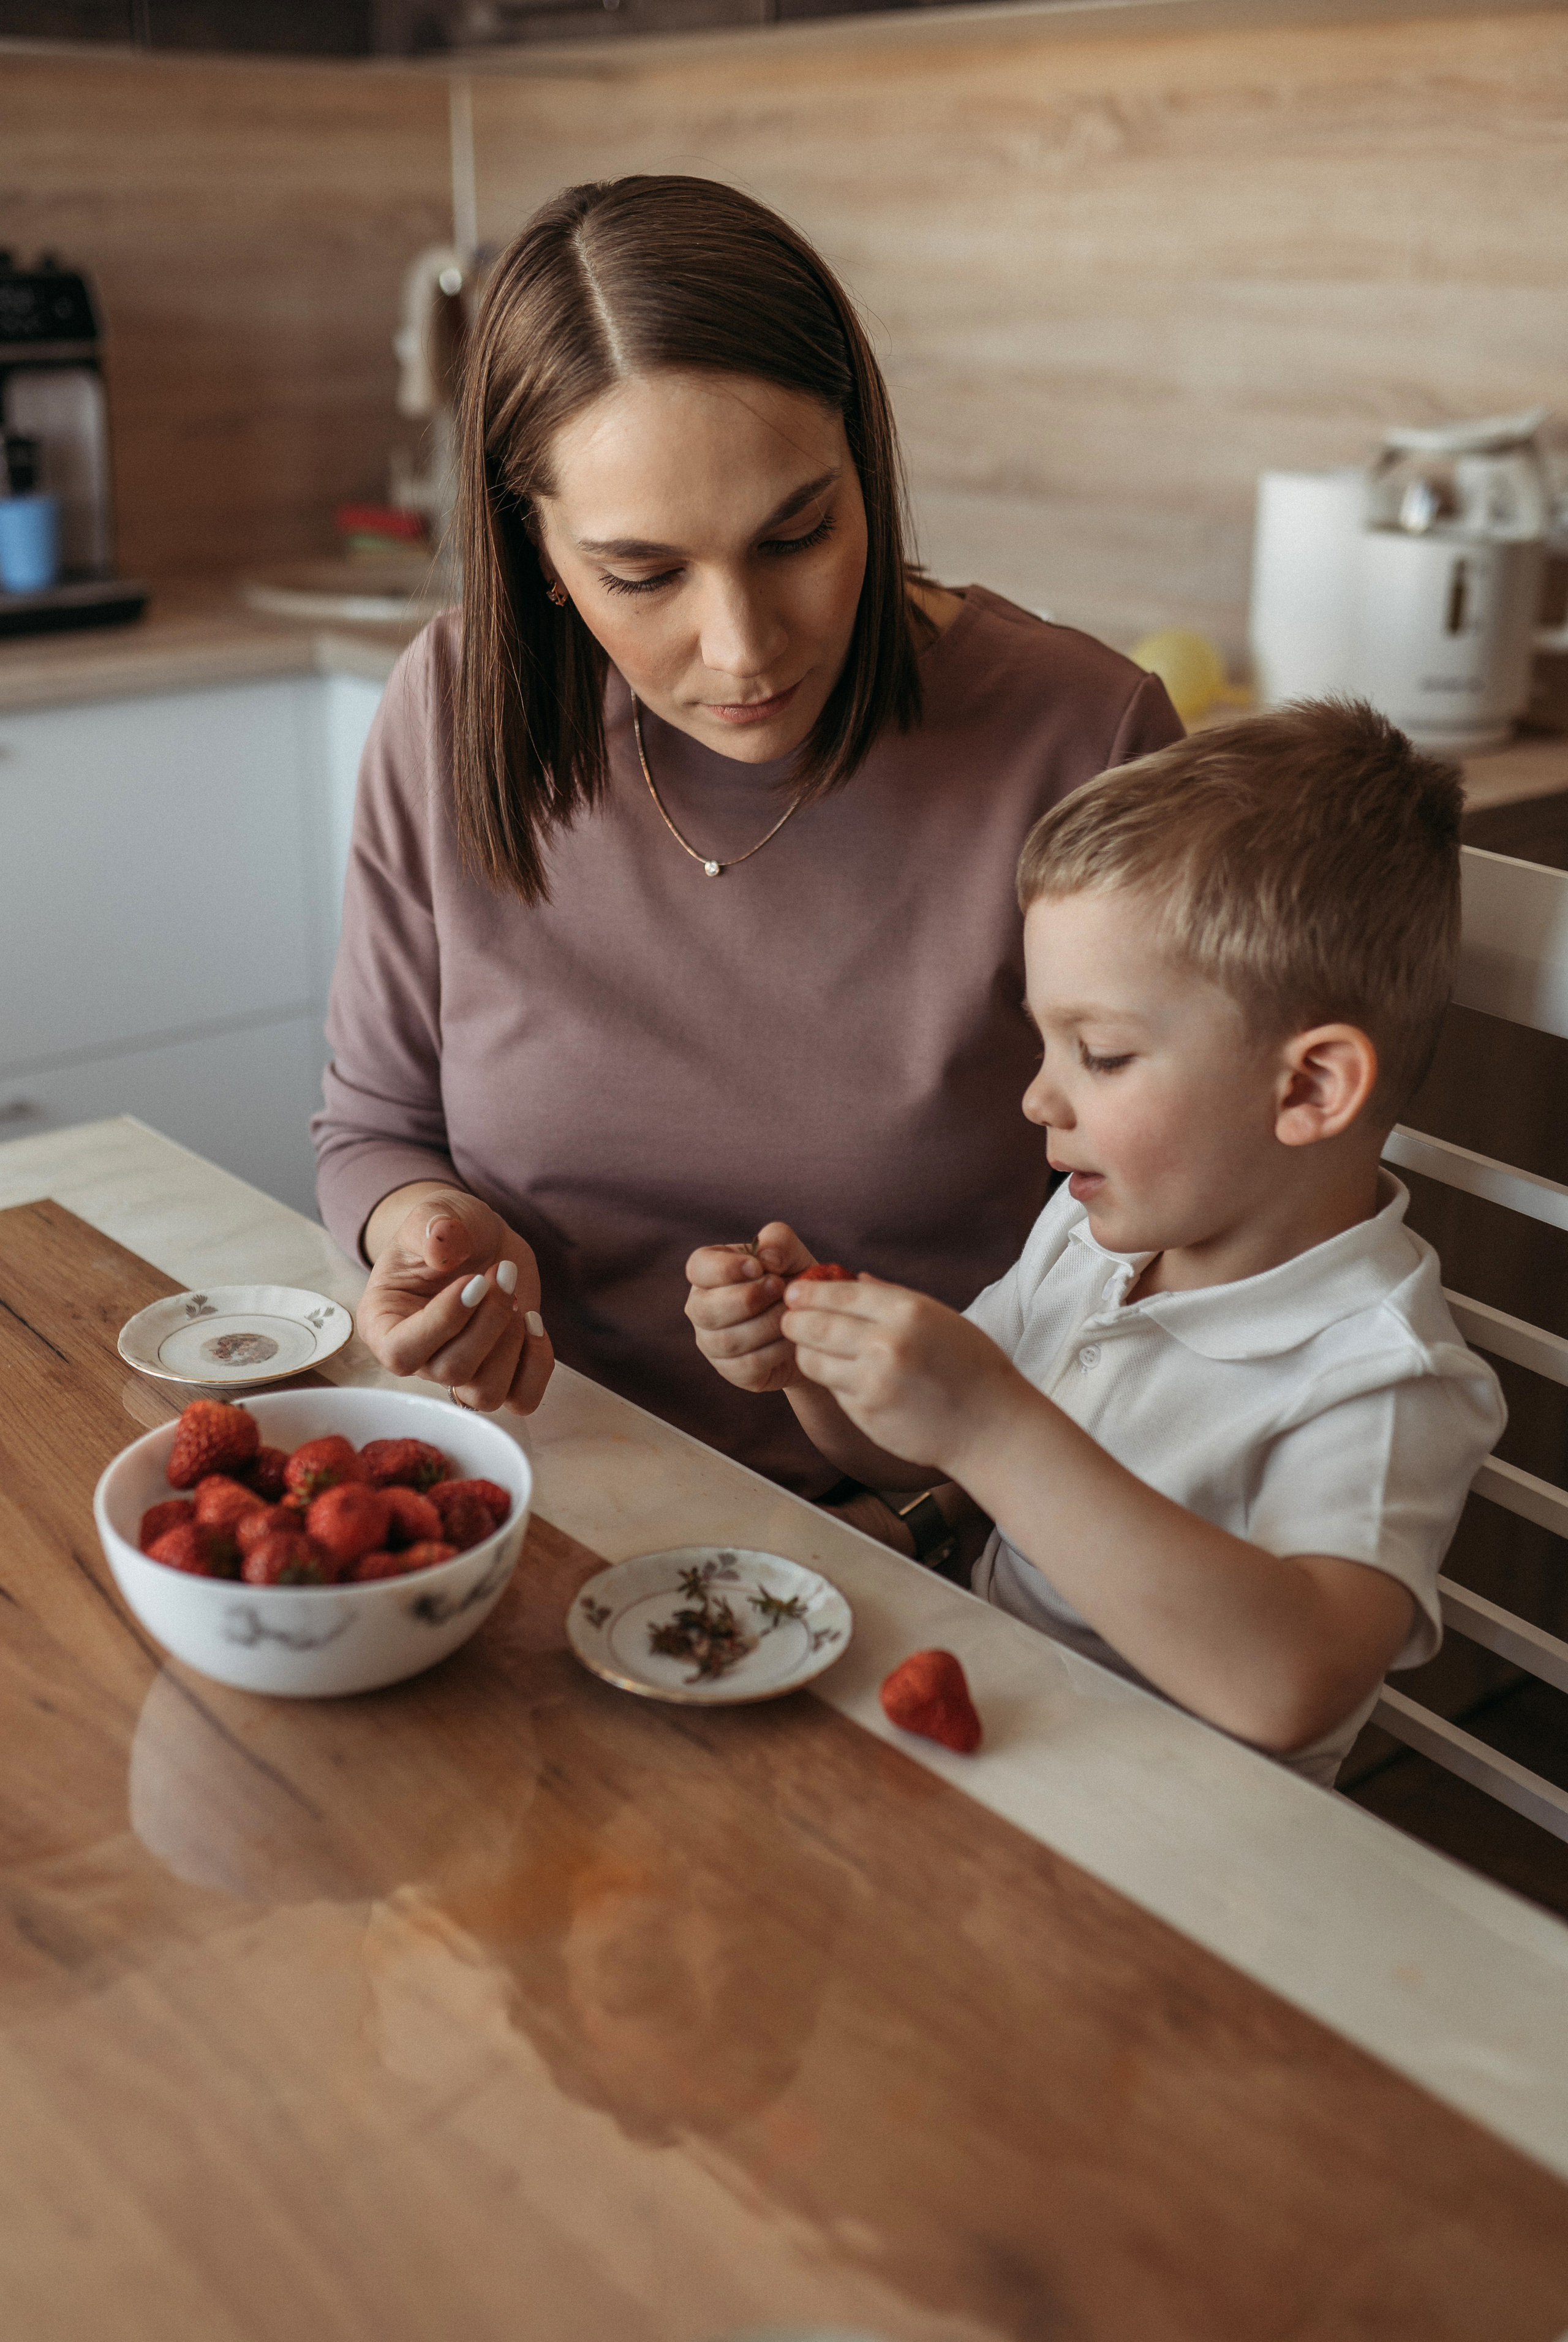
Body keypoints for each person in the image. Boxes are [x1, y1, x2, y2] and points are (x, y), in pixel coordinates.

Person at [312, 175, 1180, 1498]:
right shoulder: (449, 708)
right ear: (536, 547)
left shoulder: (1086, 740)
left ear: (862, 468)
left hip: (938, 1540)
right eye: (642, 574)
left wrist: (950, 1509)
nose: (743, 648)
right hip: (540, 1486)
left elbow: (1193, 1254)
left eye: (797, 533)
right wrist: (429, 1234)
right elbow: (373, 1124)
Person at [684, 702, 1507, 1783]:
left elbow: (1294, 1684)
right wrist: (818, 1373)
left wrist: (989, 1424)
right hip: (994, 1740)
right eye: (1045, 1044)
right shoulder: (1091, 1229)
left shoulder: (1382, 1375)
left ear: (1308, 1086)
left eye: (1102, 1055)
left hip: (1174, 1856)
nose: (1038, 1099)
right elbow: (914, 1447)